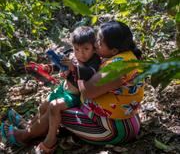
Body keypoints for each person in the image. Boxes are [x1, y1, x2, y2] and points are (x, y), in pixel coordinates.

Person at [0, 21, 144, 153]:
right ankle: (29, 127)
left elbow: (87, 92)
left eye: (100, 42)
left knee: (55, 108)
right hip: (119, 121)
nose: (96, 43)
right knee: (51, 102)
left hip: (114, 129)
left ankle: (25, 136)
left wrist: (76, 67)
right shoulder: (124, 56)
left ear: (113, 50)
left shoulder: (118, 68)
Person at [0, 26, 101, 152]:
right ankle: (29, 126)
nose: (81, 53)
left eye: (86, 49)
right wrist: (48, 68)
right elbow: (59, 65)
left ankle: (46, 139)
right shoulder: (71, 54)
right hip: (63, 89)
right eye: (77, 49)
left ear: (94, 47)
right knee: (43, 106)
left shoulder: (94, 60)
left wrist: (73, 67)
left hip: (75, 95)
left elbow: (89, 73)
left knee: (53, 107)